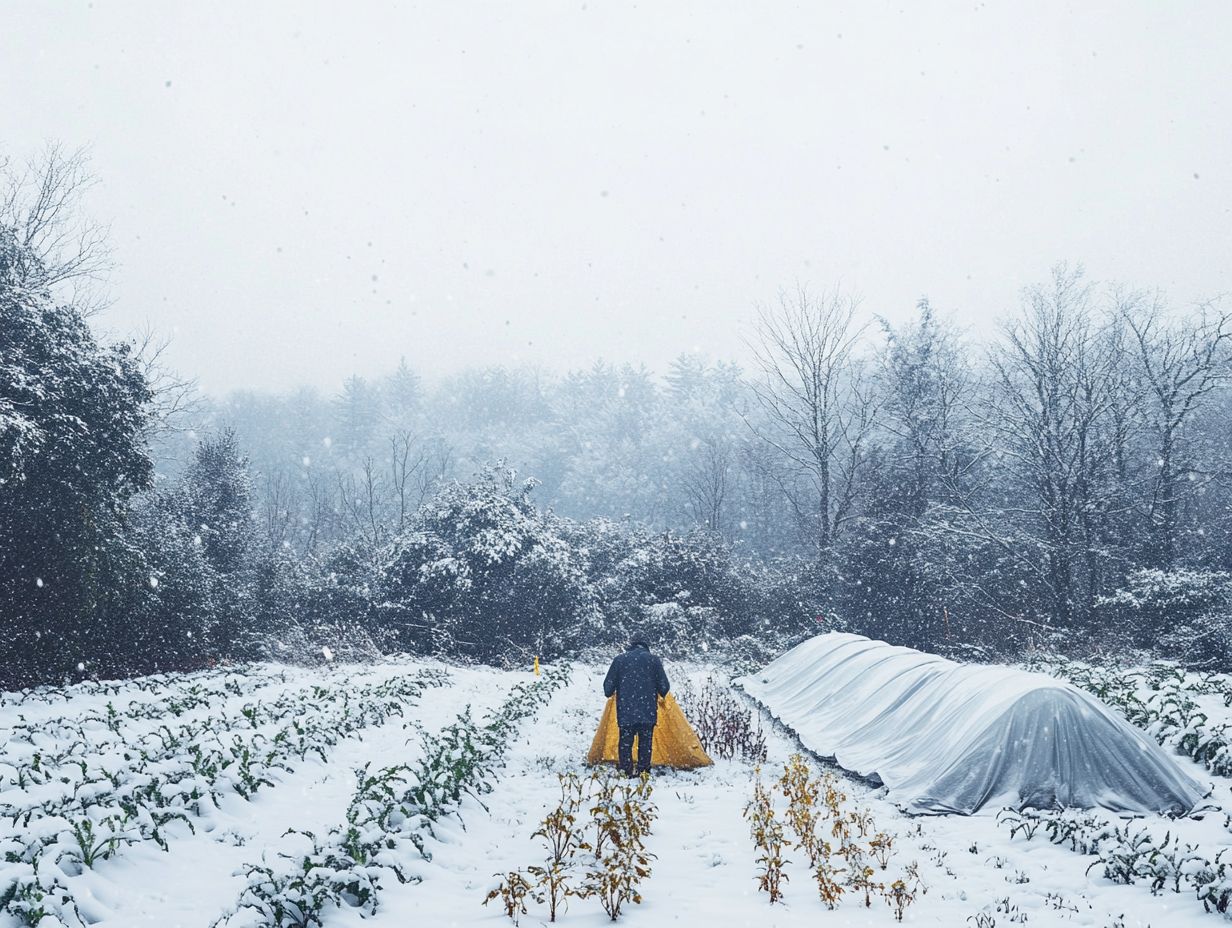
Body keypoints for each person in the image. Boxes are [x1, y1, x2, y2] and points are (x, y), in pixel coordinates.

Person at [603, 636, 671, 776]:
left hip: (626, 711)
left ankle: (626, 770)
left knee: (625, 742)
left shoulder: (619, 660)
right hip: (648, 711)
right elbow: (664, 687)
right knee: (645, 742)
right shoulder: (654, 660)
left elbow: (607, 689)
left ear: (631, 646)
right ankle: (643, 770)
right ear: (646, 647)